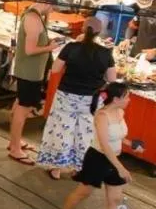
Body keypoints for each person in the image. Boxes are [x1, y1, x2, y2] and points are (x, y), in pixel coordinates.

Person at [38, 16, 118, 179]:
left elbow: (55, 69)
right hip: (91, 100)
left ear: (82, 29)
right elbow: (112, 79)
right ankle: (79, 168)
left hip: (66, 96)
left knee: (61, 130)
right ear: (99, 32)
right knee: (85, 134)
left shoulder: (71, 48)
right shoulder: (105, 53)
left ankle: (56, 168)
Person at [57, 83, 133, 209]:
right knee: (83, 193)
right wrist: (121, 168)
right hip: (97, 159)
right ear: (116, 99)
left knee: (115, 199)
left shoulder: (120, 113)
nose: (129, 100)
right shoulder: (102, 115)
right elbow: (104, 144)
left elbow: (118, 136)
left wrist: (131, 143)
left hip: (114, 158)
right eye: (127, 97)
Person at [8, 0, 61, 165]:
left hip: (31, 72)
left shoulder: (36, 16)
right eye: (52, 8)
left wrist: (48, 43)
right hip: (29, 73)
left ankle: (15, 141)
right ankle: (15, 148)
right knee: (23, 109)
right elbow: (30, 50)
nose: (51, 11)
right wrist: (49, 47)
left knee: (20, 105)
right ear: (47, 3)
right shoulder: (33, 19)